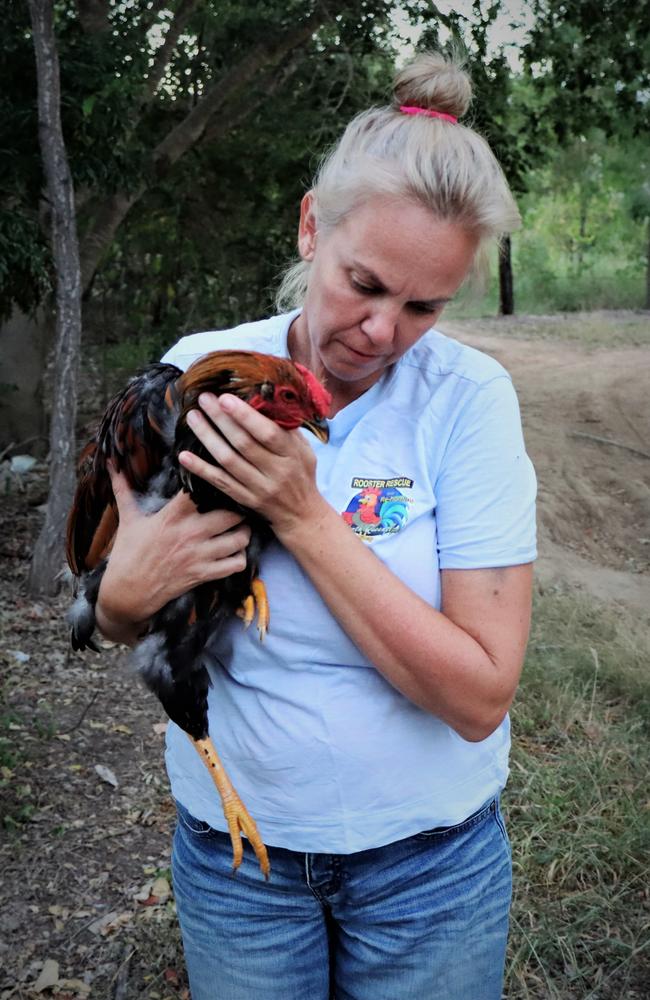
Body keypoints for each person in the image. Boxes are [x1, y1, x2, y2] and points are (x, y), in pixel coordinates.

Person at [96, 51, 536, 1000]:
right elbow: (121, 602)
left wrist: (303, 513)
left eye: (424, 306)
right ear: (310, 227)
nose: (383, 332)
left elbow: (479, 697)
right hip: (240, 869)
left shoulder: (467, 402)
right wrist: (123, 600)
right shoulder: (193, 378)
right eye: (364, 283)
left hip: (432, 870)